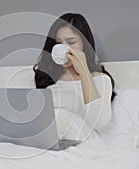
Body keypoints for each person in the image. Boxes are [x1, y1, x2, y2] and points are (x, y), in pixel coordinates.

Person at [33, 13, 116, 141]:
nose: (64, 48)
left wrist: (83, 72)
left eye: (71, 42)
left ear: (85, 44)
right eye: (58, 43)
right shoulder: (47, 79)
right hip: (50, 143)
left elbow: (100, 123)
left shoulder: (100, 79)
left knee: (59, 115)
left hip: (84, 143)